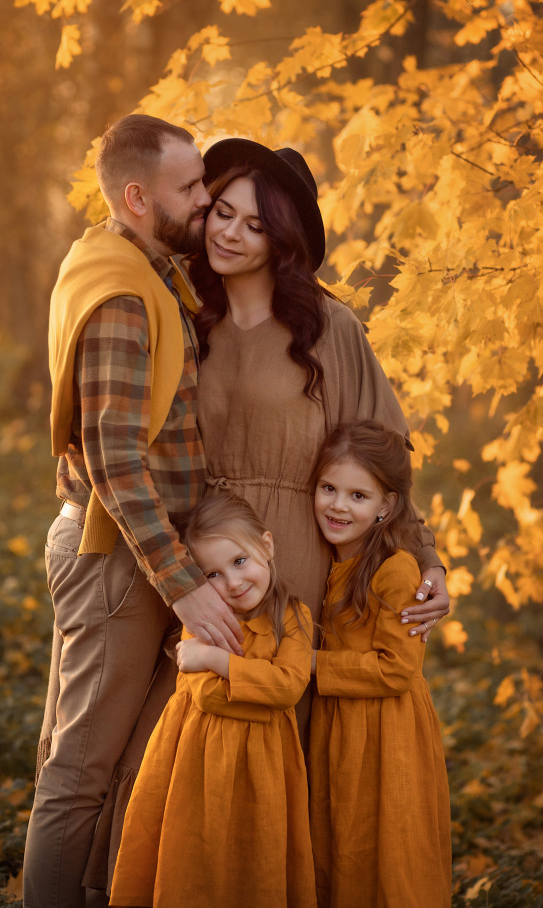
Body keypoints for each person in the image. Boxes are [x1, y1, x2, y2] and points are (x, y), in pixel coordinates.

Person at [23, 114, 245, 908]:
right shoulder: (121, 293)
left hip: (134, 552)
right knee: (80, 773)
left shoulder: (129, 266)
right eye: (189, 189)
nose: (204, 201)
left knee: (117, 767)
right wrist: (184, 582)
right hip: (120, 557)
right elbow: (115, 458)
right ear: (138, 196)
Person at [190, 138, 451, 737]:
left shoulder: (328, 327)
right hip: (206, 553)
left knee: (283, 720)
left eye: (254, 225)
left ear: (281, 242)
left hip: (296, 551)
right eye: (222, 213)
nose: (228, 234)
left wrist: (429, 559)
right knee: (204, 721)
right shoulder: (187, 314)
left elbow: (380, 463)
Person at [110, 495, 316, 908]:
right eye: (214, 574)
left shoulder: (293, 616)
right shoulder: (204, 619)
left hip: (266, 764)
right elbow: (207, 696)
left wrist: (218, 660)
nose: (233, 583)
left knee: (258, 849)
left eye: (240, 561)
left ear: (268, 546)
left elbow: (290, 688)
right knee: (196, 851)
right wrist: (265, 693)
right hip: (199, 760)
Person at [309, 420, 452, 907]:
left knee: (388, 846)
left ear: (386, 507)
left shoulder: (395, 569)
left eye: (357, 495)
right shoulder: (330, 560)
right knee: (342, 839)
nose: (338, 505)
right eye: (328, 488)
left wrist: (310, 665)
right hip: (342, 725)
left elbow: (396, 669)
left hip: (386, 730)